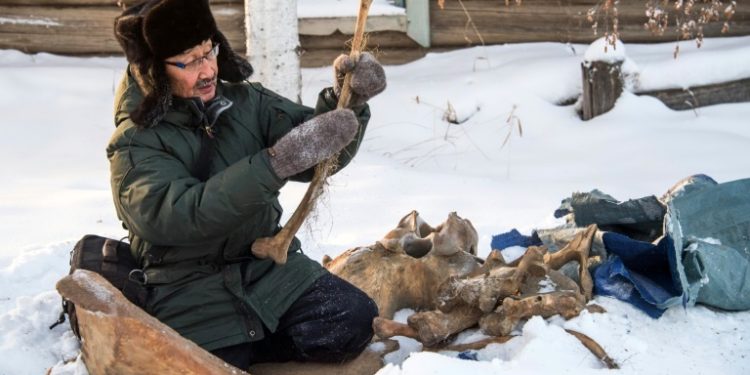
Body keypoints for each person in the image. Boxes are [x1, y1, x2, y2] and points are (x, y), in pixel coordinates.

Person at [107, 0, 386, 370]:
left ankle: (257, 346)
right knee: (208, 364)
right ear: (155, 71)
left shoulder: (245, 100)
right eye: (188, 61)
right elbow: (179, 215)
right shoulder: (135, 142)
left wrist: (348, 100)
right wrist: (274, 165)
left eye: (209, 51)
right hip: (186, 287)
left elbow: (314, 151)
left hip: (265, 270)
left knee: (352, 318)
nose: (207, 69)